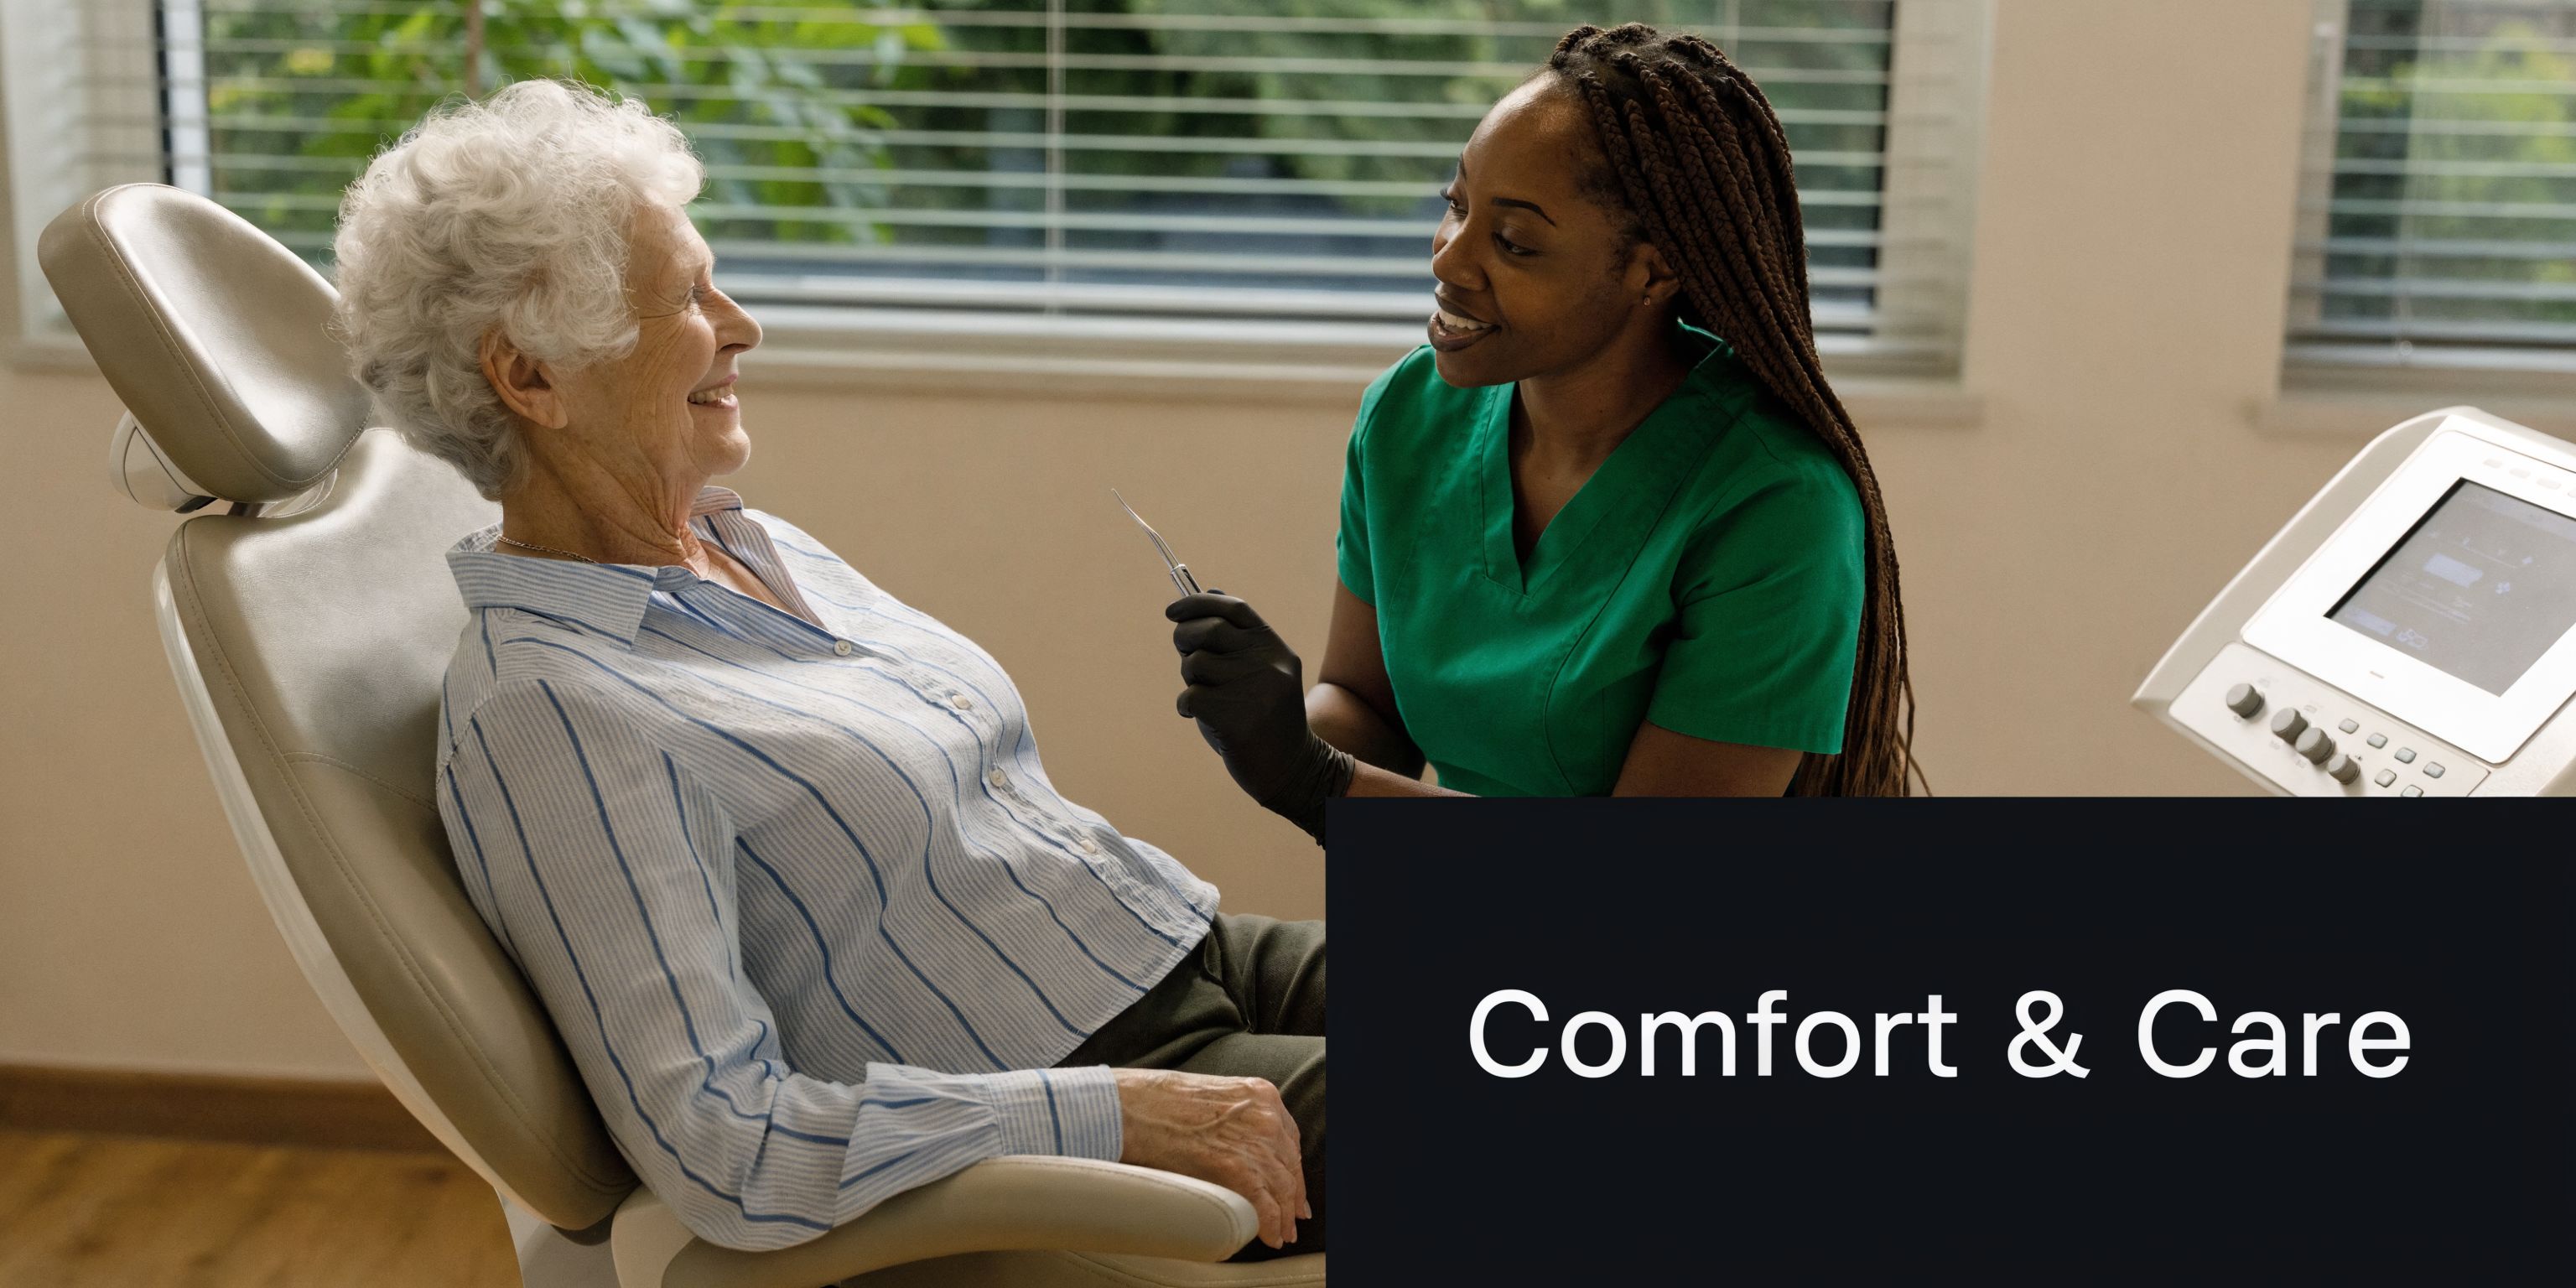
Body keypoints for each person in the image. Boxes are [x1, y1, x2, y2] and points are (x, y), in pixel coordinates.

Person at [334, 80, 1320, 1256]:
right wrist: (1111, 1113)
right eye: (689, 297)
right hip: (1103, 1069)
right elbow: (723, 1145)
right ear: (533, 377)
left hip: (1181, 945)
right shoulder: (555, 716)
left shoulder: (750, 544)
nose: (742, 324)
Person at [1169, 23, 1919, 837]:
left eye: (1515, 241)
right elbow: (1368, 707)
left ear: (1654, 269)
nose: (1448, 261)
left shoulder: (1777, 506)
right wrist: (1268, 726)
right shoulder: (1409, 416)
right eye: (1456, 205)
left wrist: (1314, 781)